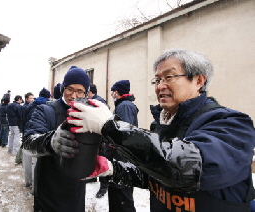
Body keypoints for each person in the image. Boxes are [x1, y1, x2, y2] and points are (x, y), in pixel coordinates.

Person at [66, 49, 255, 212]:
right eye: (157, 80)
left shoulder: (231, 123)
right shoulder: (162, 125)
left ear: (198, 81)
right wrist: (113, 169)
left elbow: (187, 168)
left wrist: (110, 127)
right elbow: (156, 176)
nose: (160, 86)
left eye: (169, 77)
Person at [22, 66, 90, 212]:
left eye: (79, 91)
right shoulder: (46, 110)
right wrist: (50, 141)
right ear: (63, 89)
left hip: (76, 189)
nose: (73, 95)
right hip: (49, 188)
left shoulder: (89, 115)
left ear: (86, 93)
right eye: (69, 89)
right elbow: (28, 141)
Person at [96, 80, 138, 211]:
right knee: (116, 197)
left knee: (122, 200)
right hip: (117, 158)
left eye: (113, 92)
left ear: (117, 92)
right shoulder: (123, 105)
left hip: (121, 159)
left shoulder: (125, 106)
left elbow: (123, 133)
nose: (112, 95)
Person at [22, 88, 51, 189]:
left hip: (27, 134)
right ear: (48, 96)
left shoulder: (30, 105)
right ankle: (35, 188)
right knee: (36, 161)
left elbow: (23, 119)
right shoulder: (47, 106)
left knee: (27, 159)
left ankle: (27, 181)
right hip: (39, 136)